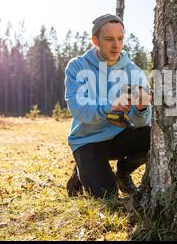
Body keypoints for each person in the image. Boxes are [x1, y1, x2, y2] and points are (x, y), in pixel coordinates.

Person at [64, 14, 152, 199]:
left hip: (119, 137)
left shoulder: (133, 72)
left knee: (153, 137)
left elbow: (141, 123)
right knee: (107, 196)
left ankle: (123, 172)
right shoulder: (78, 66)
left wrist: (142, 109)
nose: (116, 45)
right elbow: (79, 109)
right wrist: (110, 106)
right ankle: (82, 170)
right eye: (109, 39)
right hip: (87, 140)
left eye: (120, 39)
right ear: (95, 40)